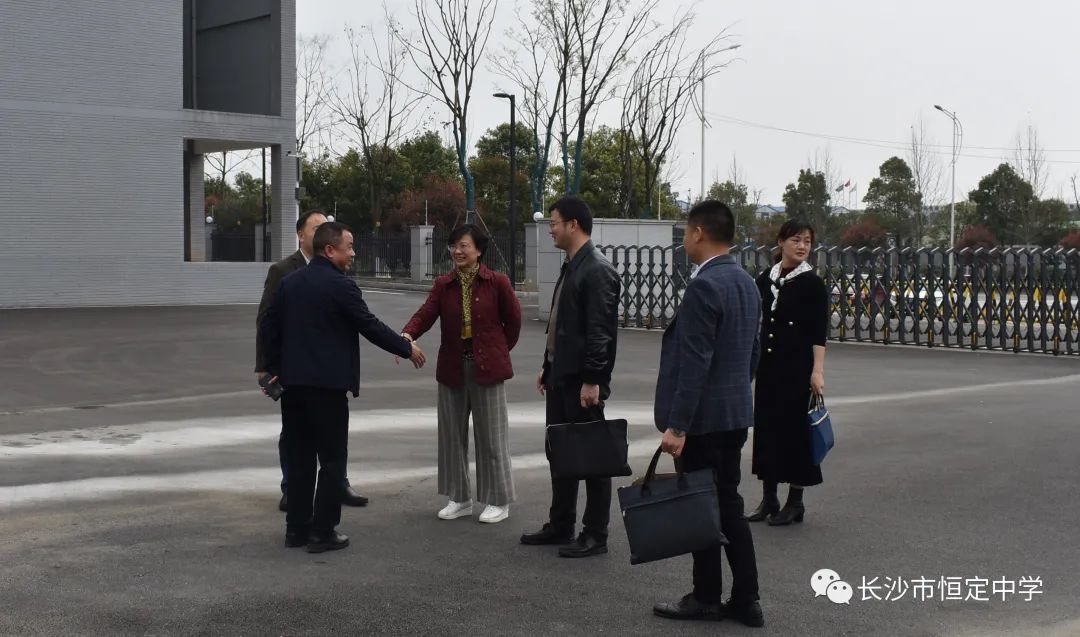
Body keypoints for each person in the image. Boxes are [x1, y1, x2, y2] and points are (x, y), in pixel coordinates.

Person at [259, 222, 426, 553]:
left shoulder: (290, 283)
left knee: (300, 459)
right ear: (329, 250)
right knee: (333, 460)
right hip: (328, 388)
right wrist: (406, 348)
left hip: (293, 388)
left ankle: (296, 530)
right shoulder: (341, 286)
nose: (353, 253)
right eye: (349, 247)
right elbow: (370, 326)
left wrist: (273, 369)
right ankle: (322, 532)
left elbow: (268, 326)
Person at [651, 200, 764, 627]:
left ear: (699, 232)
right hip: (734, 414)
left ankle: (705, 596)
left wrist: (678, 425)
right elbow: (752, 352)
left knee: (703, 506)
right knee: (729, 504)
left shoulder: (704, 286)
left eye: (686, 230)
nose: (684, 238)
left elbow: (694, 361)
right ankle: (747, 600)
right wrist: (734, 392)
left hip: (702, 420)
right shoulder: (747, 283)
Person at [519, 196, 620, 559]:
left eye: (554, 223)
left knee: (593, 458)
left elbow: (599, 333)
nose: (551, 229)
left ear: (573, 225)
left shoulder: (597, 269)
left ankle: (595, 533)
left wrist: (593, 380)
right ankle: (561, 524)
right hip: (562, 377)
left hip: (582, 382)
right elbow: (562, 325)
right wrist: (548, 366)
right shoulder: (573, 265)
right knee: (560, 451)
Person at [401, 224, 522, 524]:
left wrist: (495, 351)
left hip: (487, 368)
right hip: (452, 367)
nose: (457, 251)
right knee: (451, 436)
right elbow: (425, 314)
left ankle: (498, 500)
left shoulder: (497, 282)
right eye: (454, 246)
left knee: (492, 437)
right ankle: (459, 498)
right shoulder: (444, 285)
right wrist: (407, 334)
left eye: (464, 245)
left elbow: (513, 322)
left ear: (478, 250)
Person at [255, 210, 370, 512]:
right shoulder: (283, 271)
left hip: (325, 372)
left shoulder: (338, 270)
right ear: (301, 235)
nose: (322, 230)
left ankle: (335, 488)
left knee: (329, 442)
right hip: (297, 372)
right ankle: (292, 491)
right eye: (316, 227)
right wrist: (265, 366)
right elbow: (266, 321)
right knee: (298, 439)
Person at [748, 218, 828, 527]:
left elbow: (818, 333)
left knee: (795, 433)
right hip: (769, 367)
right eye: (796, 240)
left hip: (798, 369)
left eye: (807, 241)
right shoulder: (765, 279)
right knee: (768, 428)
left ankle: (795, 502)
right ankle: (769, 498)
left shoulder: (812, 284)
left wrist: (817, 371)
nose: (802, 246)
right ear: (781, 242)